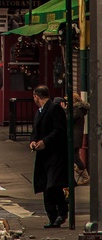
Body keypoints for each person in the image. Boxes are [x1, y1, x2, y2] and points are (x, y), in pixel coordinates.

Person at [30, 84, 68, 228]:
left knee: (52, 185)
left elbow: (59, 130)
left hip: (55, 154)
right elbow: (35, 130)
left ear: (36, 96)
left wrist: (45, 142)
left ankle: (62, 211)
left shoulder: (54, 108)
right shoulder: (39, 112)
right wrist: (33, 141)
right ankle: (53, 216)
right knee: (47, 186)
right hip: (43, 156)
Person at [71, 91, 90, 186]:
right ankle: (82, 174)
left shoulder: (76, 110)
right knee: (73, 156)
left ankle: (85, 176)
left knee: (74, 157)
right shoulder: (78, 110)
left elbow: (68, 120)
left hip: (74, 137)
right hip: (76, 137)